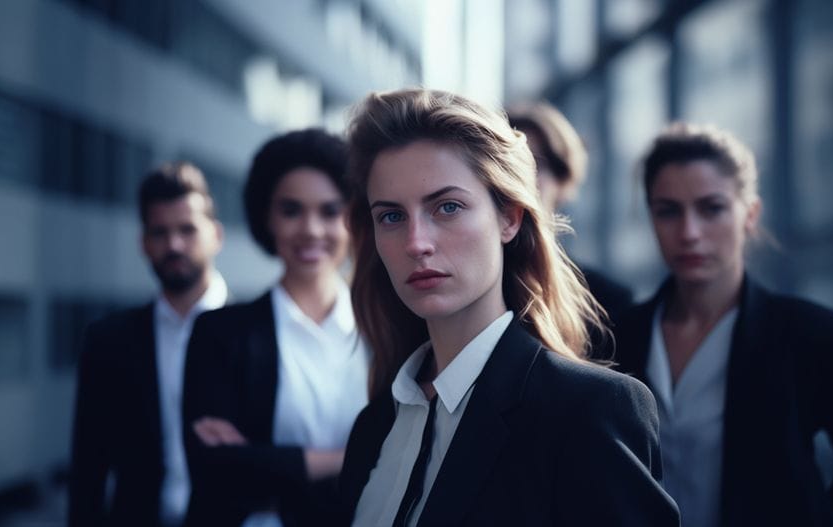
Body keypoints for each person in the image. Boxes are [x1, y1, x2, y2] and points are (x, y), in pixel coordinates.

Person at [338, 88, 679, 527]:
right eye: (391, 216)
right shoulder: (374, 426)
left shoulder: (588, 411)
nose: (416, 243)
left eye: (447, 207)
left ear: (509, 218)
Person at [613, 122, 833, 527]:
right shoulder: (619, 335)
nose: (689, 233)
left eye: (712, 208)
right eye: (668, 211)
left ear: (750, 214)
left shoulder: (812, 336)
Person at [181, 129, 368, 526]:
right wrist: (351, 458)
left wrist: (262, 460)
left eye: (330, 211)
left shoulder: (384, 331)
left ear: (352, 218)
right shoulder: (220, 333)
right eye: (291, 210)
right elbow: (215, 470)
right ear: (266, 217)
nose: (312, 229)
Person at [68, 162, 228, 527]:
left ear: (216, 235)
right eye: (160, 232)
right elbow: (88, 467)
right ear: (144, 243)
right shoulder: (107, 341)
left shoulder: (255, 331)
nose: (173, 244)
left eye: (187, 230)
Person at [507, 102, 633, 345]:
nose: (520, 179)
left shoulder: (607, 302)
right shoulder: (466, 287)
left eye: (536, 164)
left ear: (563, 182)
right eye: (511, 166)